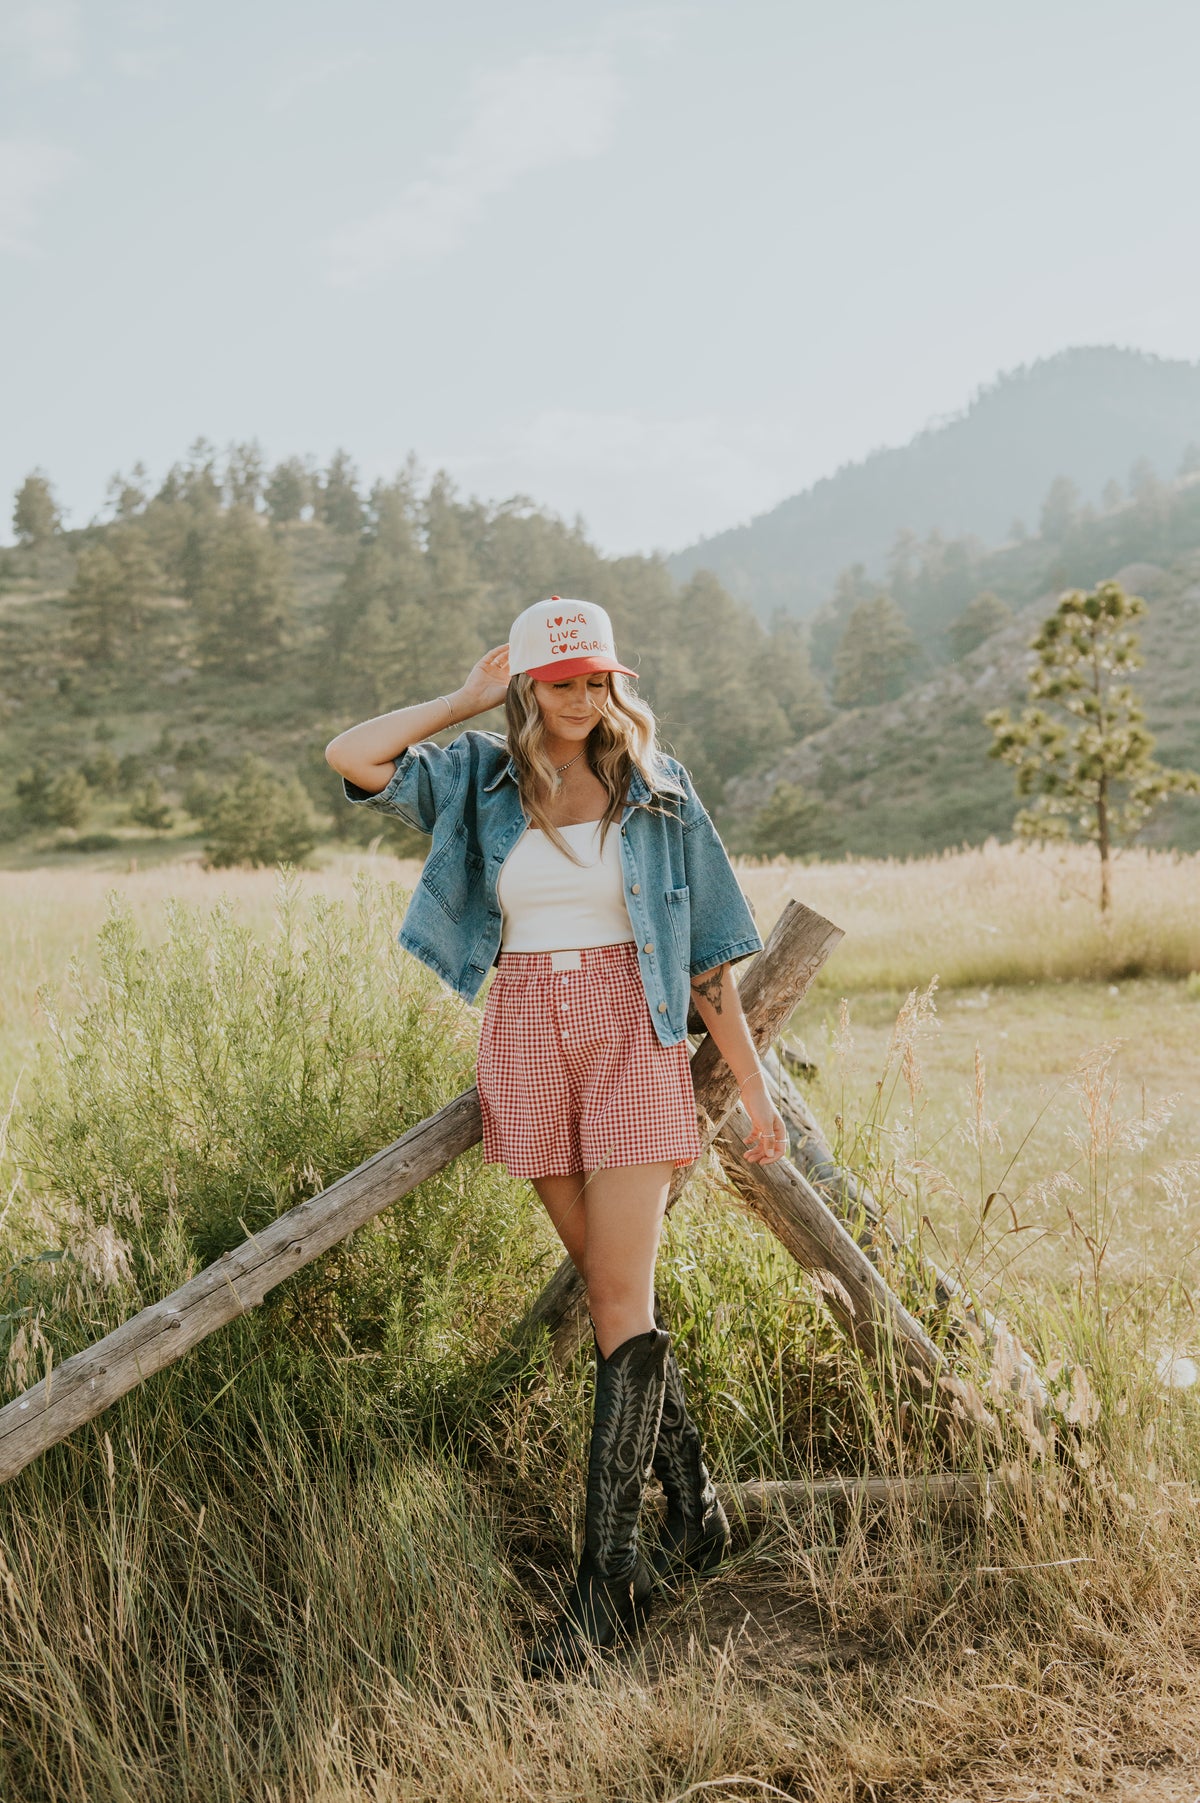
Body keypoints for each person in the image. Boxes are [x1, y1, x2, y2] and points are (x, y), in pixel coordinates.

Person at [325, 596, 787, 1677]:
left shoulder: (660, 791)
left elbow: (710, 956)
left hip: (631, 1029)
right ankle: (697, 1513)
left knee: (618, 1299)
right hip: (526, 1030)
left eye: (598, 680)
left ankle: (606, 1585)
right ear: (530, 684)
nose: (584, 698)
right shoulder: (478, 779)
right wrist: (464, 699)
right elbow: (352, 757)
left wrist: (754, 1088)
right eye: (563, 680)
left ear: (617, 683)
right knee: (614, 1291)